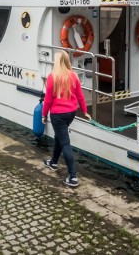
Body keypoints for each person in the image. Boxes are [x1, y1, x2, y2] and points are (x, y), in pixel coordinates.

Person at [42, 51, 91, 187]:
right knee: (60, 136)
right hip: (71, 113)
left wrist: (44, 115)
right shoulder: (73, 75)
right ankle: (53, 162)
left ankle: (73, 177)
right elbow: (80, 95)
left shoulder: (53, 77)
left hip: (58, 115)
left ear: (57, 61)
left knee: (65, 143)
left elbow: (48, 100)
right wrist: (85, 111)